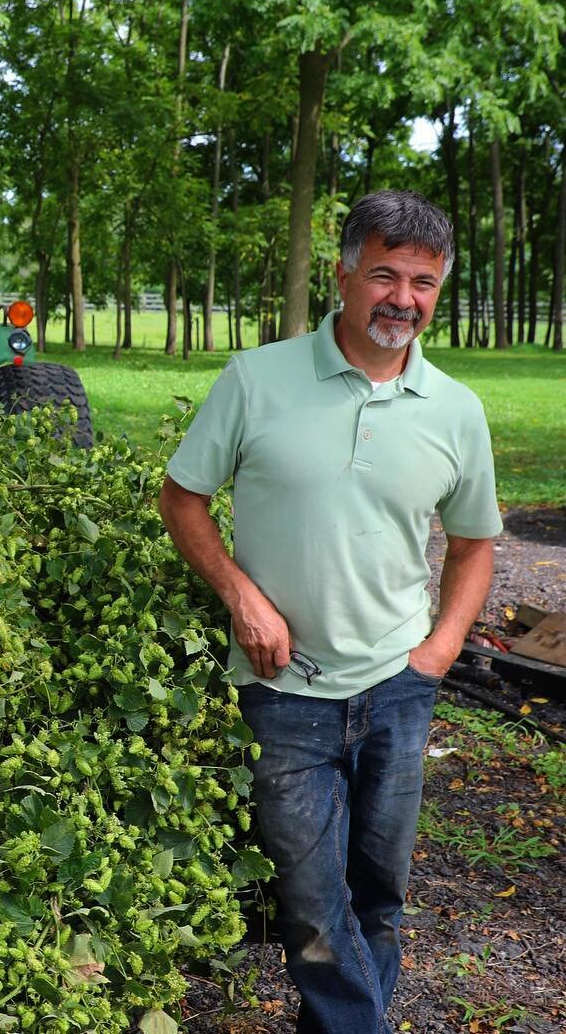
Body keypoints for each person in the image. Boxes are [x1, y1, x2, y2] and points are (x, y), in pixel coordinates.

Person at [159, 190, 501, 1033]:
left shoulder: (456, 410)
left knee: (378, 898)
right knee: (312, 909)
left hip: (398, 686)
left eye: (422, 282)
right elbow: (182, 499)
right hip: (286, 691)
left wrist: (439, 652)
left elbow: (473, 544)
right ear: (344, 271)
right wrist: (244, 598)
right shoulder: (257, 378)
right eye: (384, 273)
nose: (402, 298)